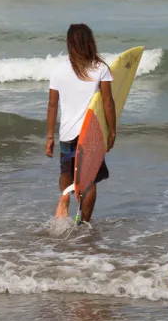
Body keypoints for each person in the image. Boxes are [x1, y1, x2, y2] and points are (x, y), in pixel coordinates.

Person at [45, 24, 116, 223]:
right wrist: (112, 131)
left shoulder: (58, 70)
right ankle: (84, 223)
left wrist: (50, 136)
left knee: (66, 171)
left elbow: (52, 105)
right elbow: (108, 103)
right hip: (91, 134)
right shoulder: (100, 68)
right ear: (90, 42)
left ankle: (65, 197)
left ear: (69, 44)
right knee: (89, 180)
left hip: (68, 133)